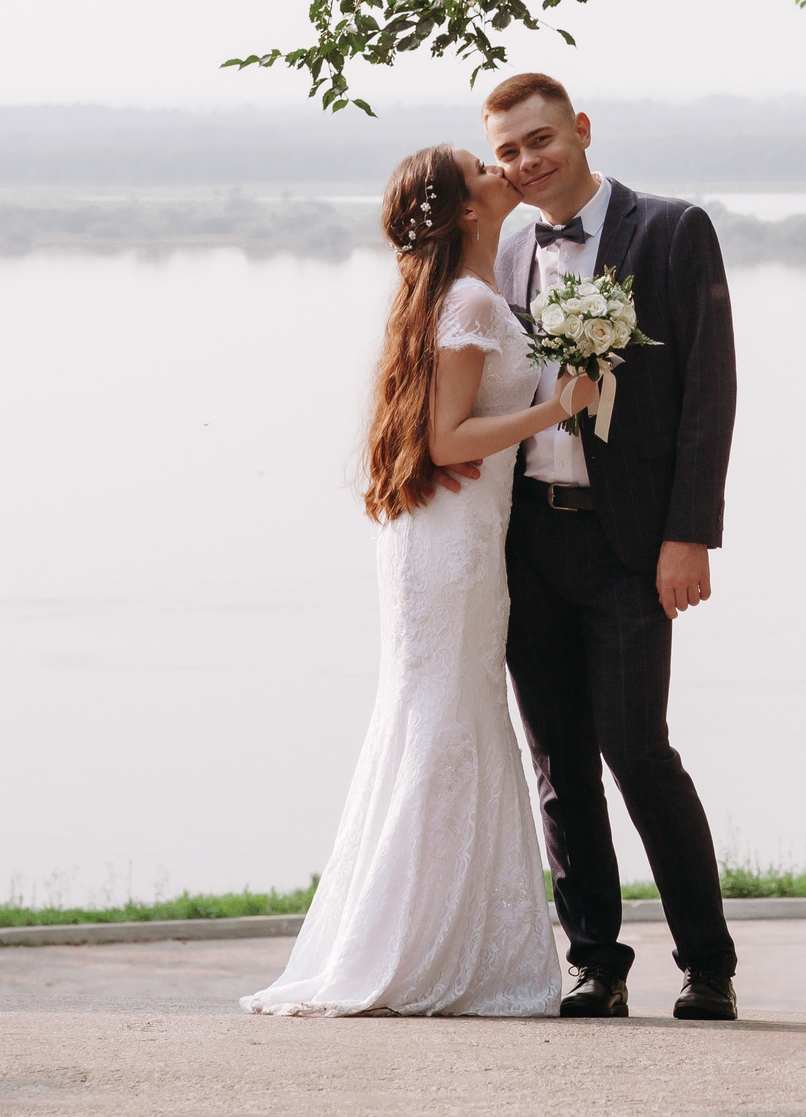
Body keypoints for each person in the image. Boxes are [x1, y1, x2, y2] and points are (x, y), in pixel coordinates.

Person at [241, 144, 596, 1018]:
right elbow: (446, 440)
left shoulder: (464, 292)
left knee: (441, 716)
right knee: (444, 720)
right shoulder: (471, 298)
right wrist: (561, 407)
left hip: (456, 534)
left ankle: (430, 936)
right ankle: (415, 946)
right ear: (469, 210)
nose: (500, 170)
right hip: (454, 541)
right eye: (484, 166)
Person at [478, 71, 742, 1021]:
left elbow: (709, 394)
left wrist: (688, 536)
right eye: (508, 151)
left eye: (539, 140)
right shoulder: (508, 250)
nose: (525, 163)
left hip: (631, 544)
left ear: (581, 130)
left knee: (640, 752)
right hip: (529, 540)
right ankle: (597, 959)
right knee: (558, 763)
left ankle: (707, 963)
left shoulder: (670, 230)